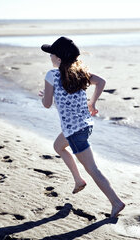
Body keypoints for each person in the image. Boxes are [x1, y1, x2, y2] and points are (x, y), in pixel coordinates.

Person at [38, 37, 125, 218]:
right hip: (84, 125)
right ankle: (78, 180)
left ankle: (116, 202)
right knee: (58, 146)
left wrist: (43, 96)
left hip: (74, 131)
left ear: (59, 59)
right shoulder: (80, 73)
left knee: (92, 169)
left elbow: (46, 104)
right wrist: (92, 104)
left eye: (51, 55)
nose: (50, 58)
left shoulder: (51, 75)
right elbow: (101, 81)